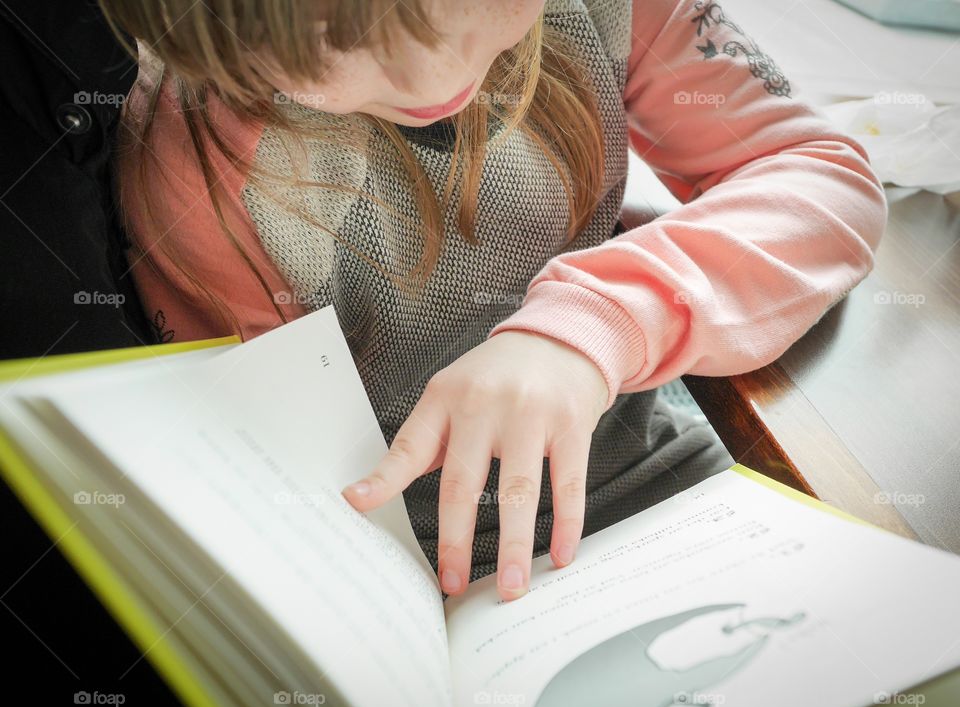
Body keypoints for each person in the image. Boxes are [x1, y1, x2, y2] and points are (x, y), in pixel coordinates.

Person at [101, 0, 887, 602]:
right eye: (332, 40)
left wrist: (589, 328)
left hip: (675, 487)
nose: (432, 79)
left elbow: (821, 177)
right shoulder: (202, 175)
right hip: (422, 585)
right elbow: (285, 502)